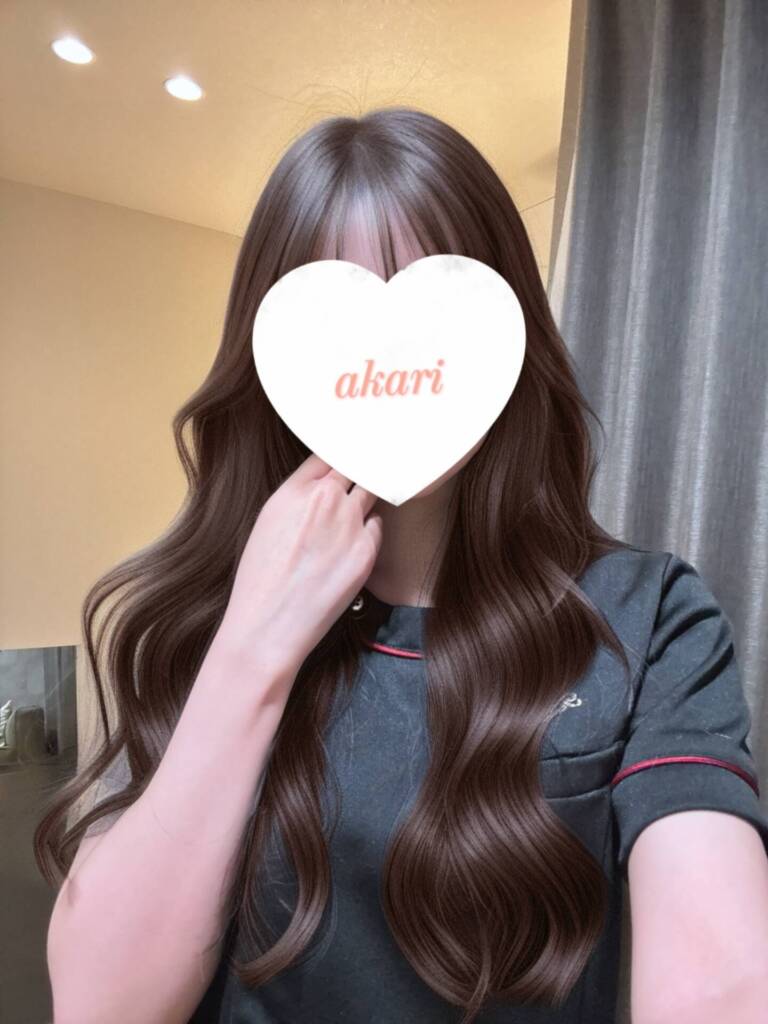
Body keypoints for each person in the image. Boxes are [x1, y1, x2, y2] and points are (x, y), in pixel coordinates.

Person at [40, 107, 768, 1024]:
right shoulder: (192, 616)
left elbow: (718, 979)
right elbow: (102, 1004)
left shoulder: (648, 615)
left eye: (435, 314)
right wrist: (253, 648)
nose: (393, 363)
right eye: (344, 327)